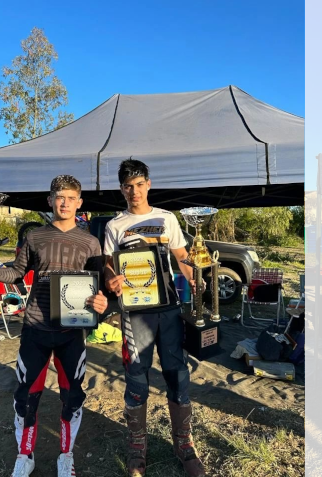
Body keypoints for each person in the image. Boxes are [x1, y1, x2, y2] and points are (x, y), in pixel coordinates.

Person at [0, 175, 108, 477]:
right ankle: (25, 455)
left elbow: (99, 289)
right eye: (59, 196)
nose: (65, 202)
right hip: (35, 328)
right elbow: (16, 274)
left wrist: (103, 304)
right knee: (26, 396)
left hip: (72, 333)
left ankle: (66, 456)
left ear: (79, 203)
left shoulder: (91, 242)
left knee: (71, 396)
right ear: (50, 200)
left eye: (71, 197)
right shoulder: (34, 236)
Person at [102, 159, 205, 477]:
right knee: (136, 378)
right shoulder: (114, 226)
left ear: (149, 184)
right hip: (134, 313)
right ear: (122, 190)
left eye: (139, 184)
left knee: (177, 374)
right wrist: (109, 279)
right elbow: (108, 264)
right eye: (128, 186)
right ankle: (137, 449)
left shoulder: (166, 219)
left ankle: (184, 445)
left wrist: (195, 278)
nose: (134, 191)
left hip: (169, 310)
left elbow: (183, 257)